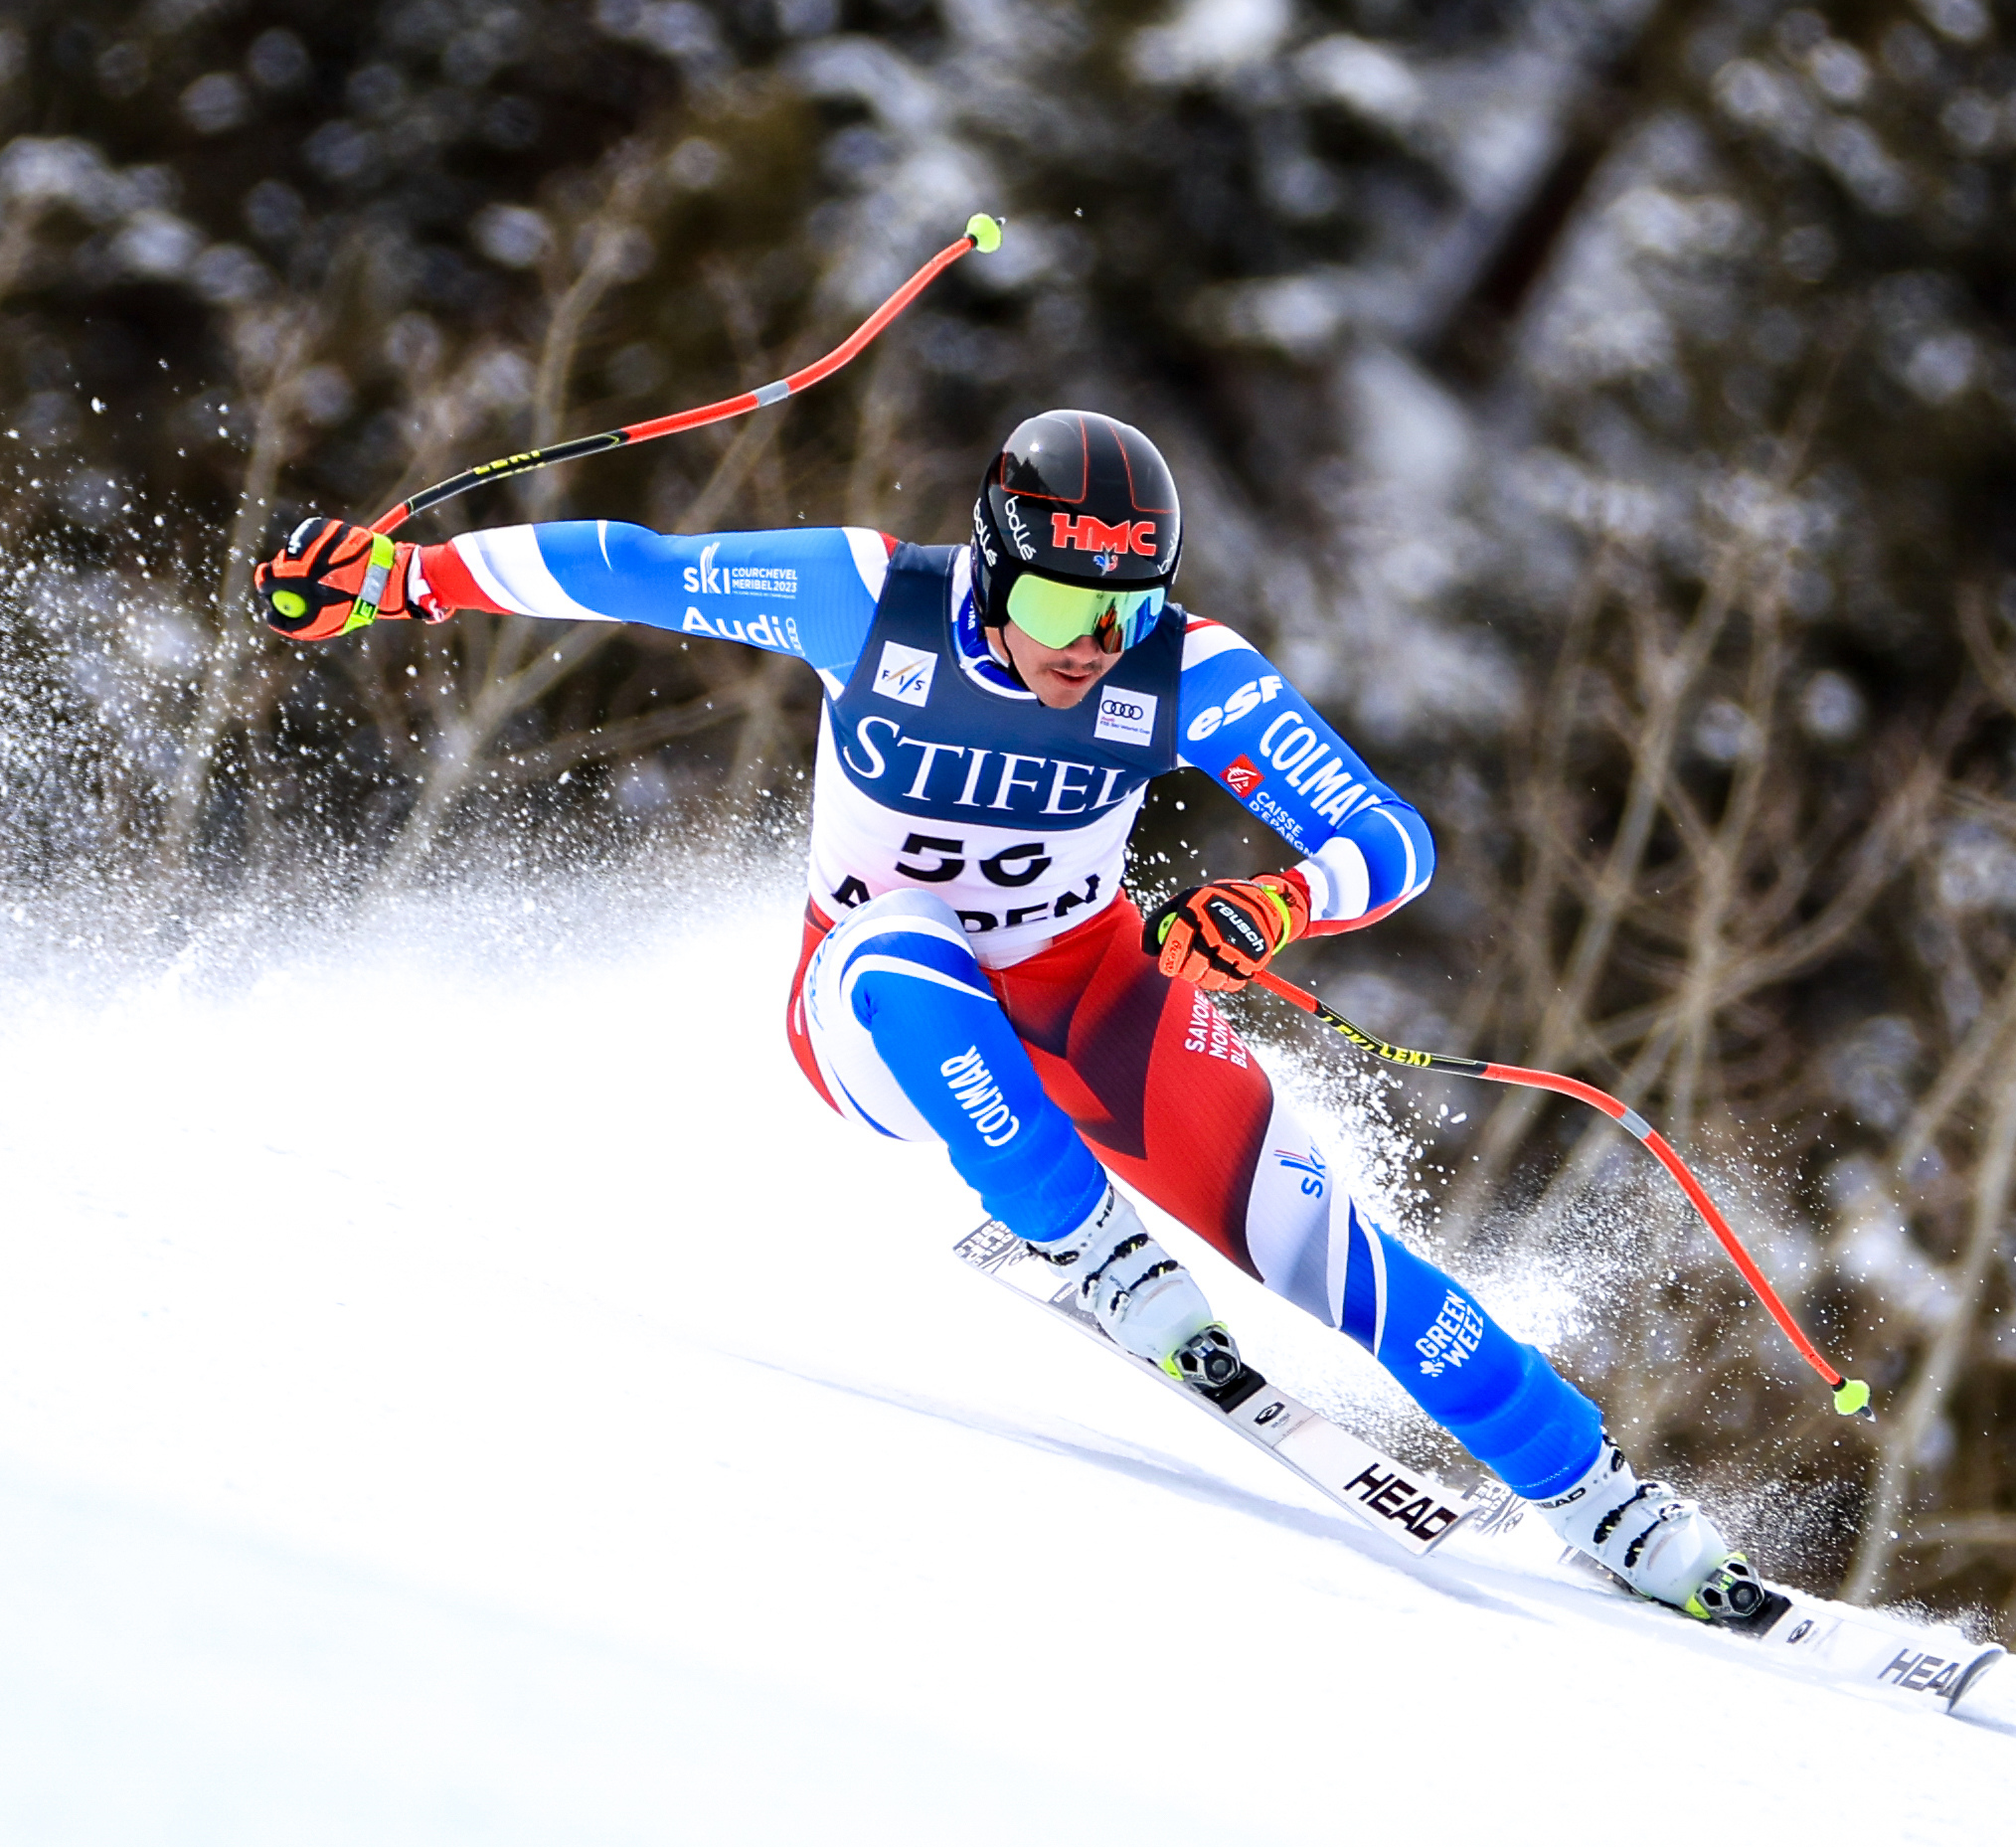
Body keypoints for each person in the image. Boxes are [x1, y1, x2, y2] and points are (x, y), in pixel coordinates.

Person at [252, 409, 1766, 1622]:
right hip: (876, 1007)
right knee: (909, 947)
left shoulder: (1183, 675)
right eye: (1053, 603)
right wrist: (398, 577)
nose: (1082, 646)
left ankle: (1605, 1506)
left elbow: (1385, 835)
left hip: (1089, 989)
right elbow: (636, 567)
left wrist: (1280, 903)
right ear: (990, 564)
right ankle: (1086, 1244)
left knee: (1330, 1252)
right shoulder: (868, 597)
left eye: (1120, 612)